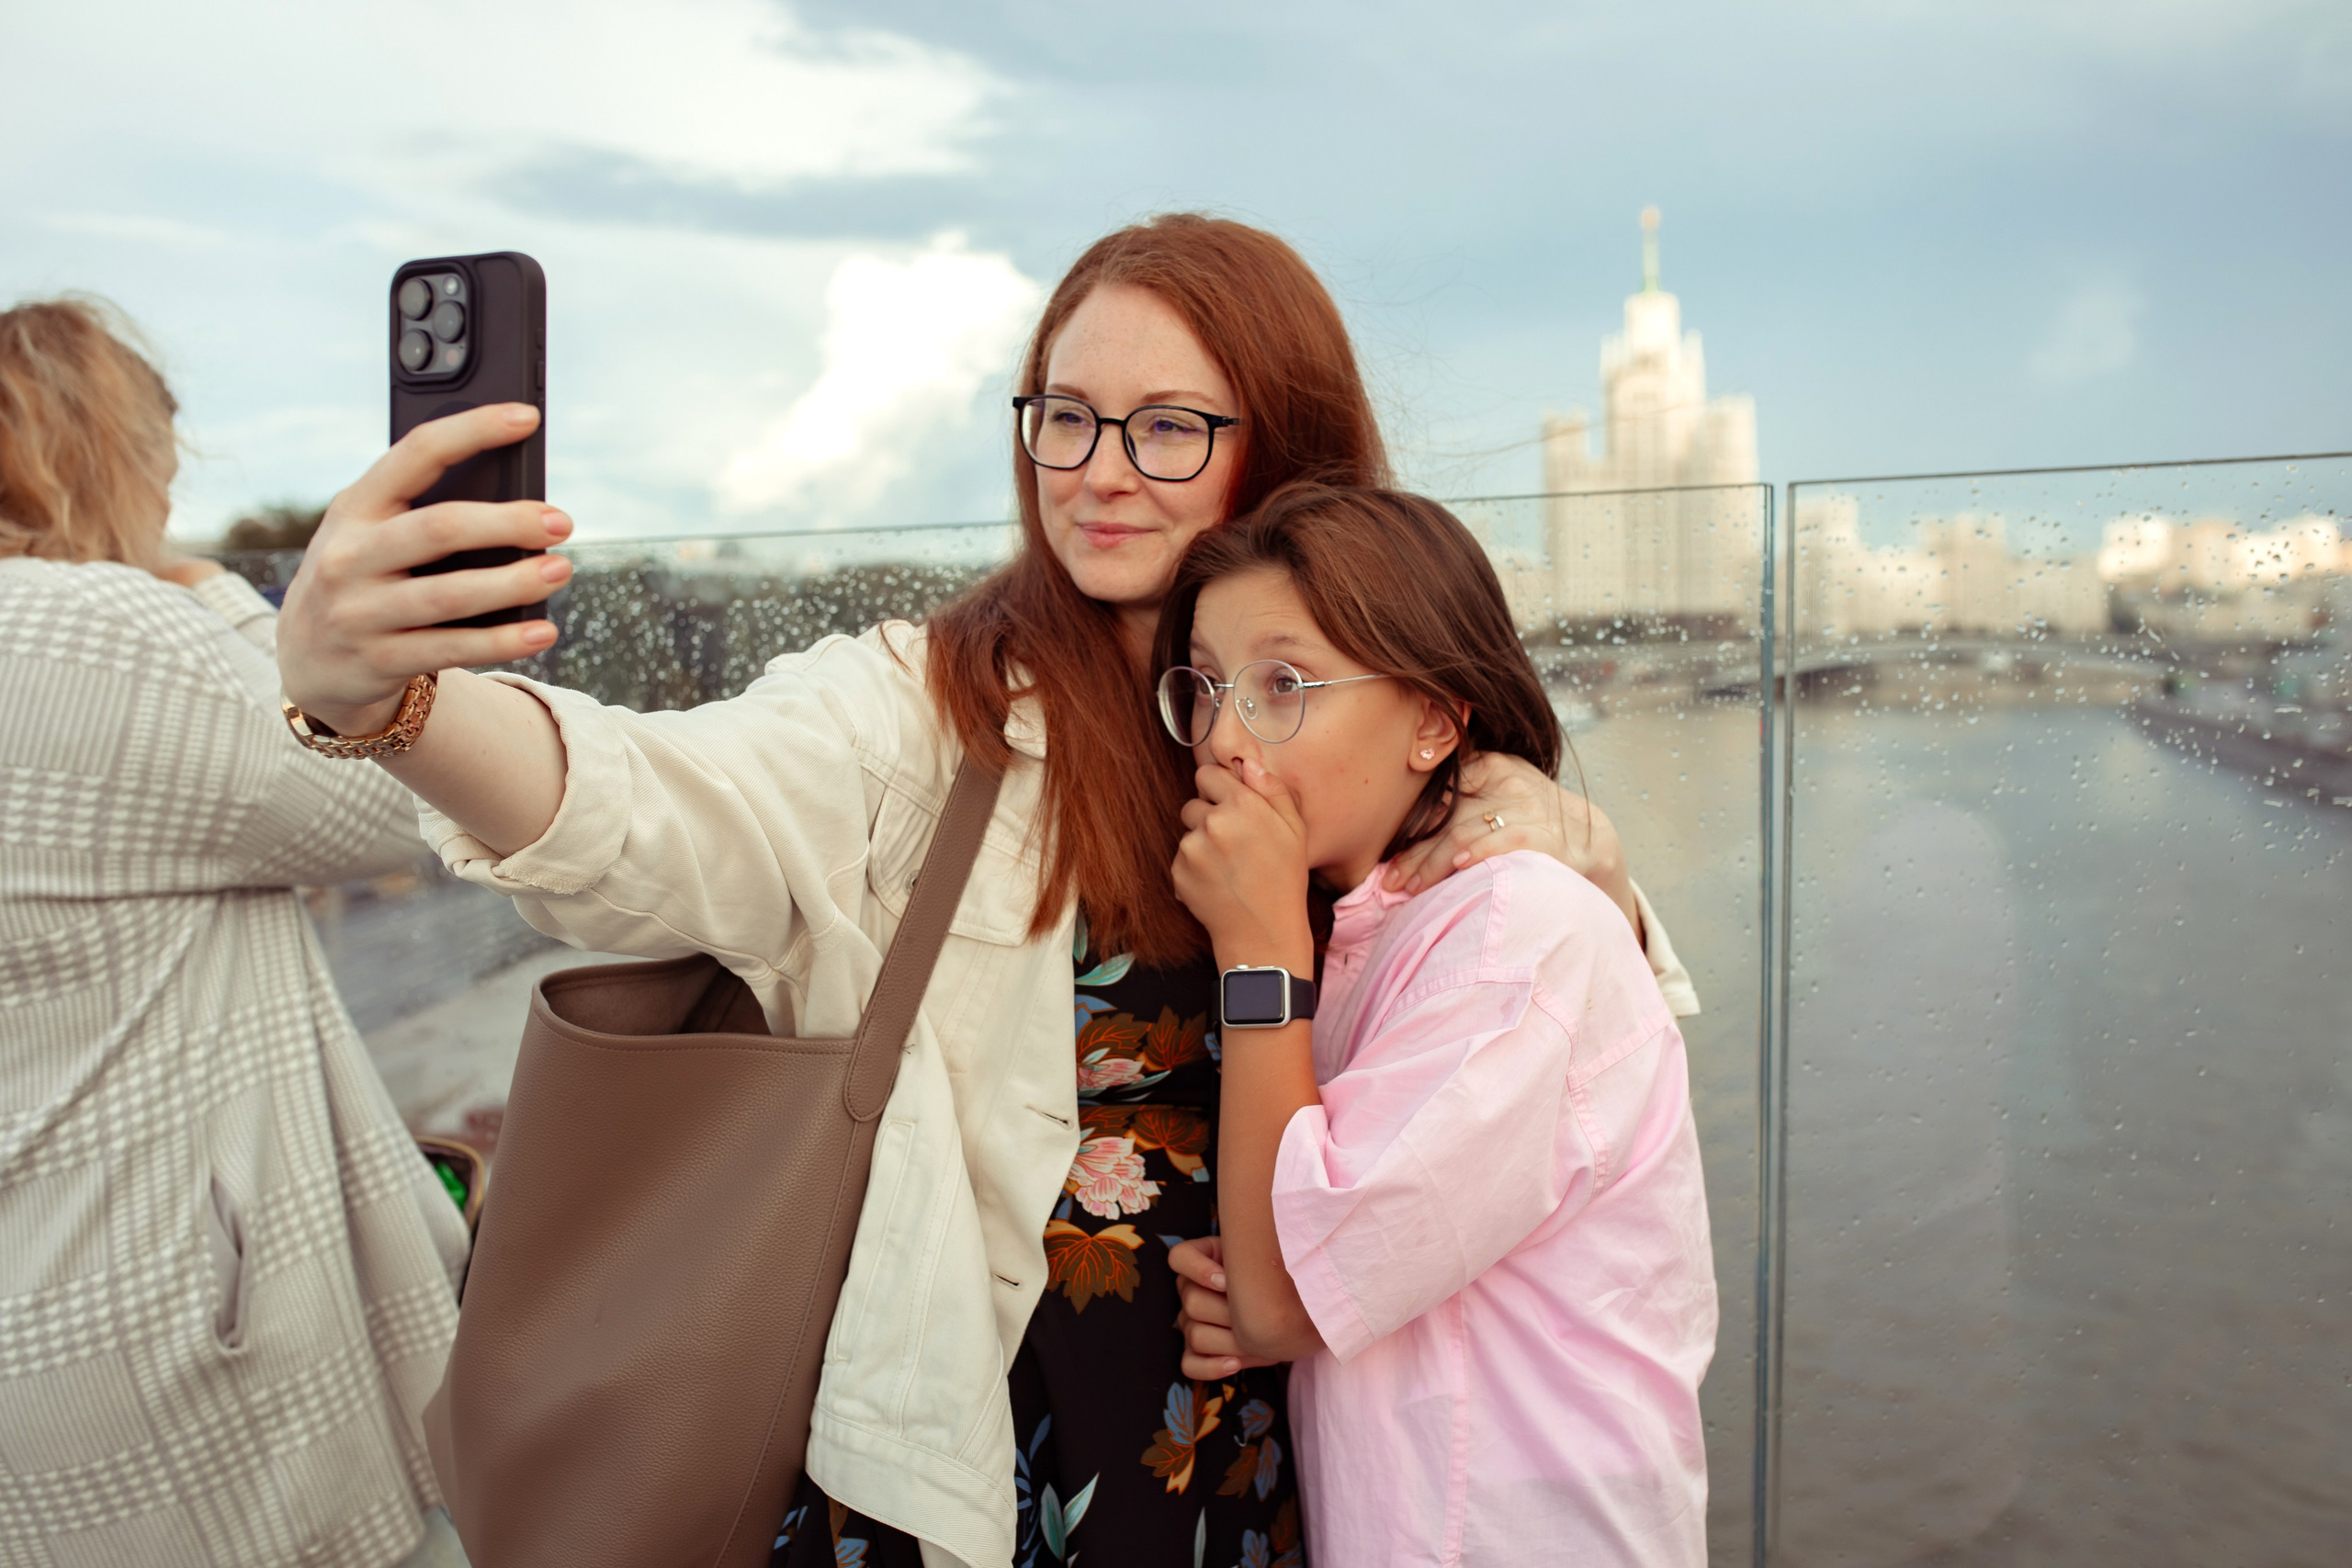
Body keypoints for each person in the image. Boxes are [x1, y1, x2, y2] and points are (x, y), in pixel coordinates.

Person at [274, 214, 1701, 1568]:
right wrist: (400, 702)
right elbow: (659, 807)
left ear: (1290, 447)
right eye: (1063, 414)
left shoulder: (1378, 730)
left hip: (1303, 1432)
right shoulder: (929, 707)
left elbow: (1569, 1048)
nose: (1098, 470)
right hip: (990, 1425)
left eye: (1167, 426)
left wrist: (1579, 848)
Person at [1160, 484, 1716, 1566]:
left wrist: (1258, 950)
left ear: (1431, 719)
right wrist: (1289, 1290)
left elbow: (1276, 1300)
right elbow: (1299, 1278)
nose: (1224, 738)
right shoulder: (1375, 928)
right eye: (1208, 686)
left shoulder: (1515, 940)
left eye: (1283, 684)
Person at [0, 297, 472, 1566]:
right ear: (114, 451)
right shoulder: (94, 629)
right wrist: (212, 589)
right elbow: (400, 791)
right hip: (168, 1344)